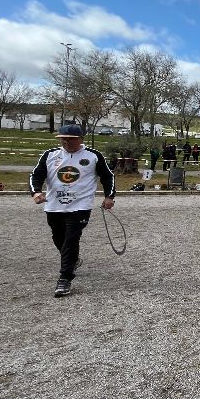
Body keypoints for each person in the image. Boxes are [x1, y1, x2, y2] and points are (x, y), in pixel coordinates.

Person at [29, 124, 116, 298]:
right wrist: (36, 191)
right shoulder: (50, 155)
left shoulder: (93, 156)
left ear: (80, 139)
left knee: (71, 239)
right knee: (58, 237)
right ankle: (72, 260)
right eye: (63, 139)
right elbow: (36, 175)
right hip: (54, 205)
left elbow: (108, 177)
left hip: (80, 206)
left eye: (70, 139)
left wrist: (109, 196)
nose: (66, 142)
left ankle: (65, 278)